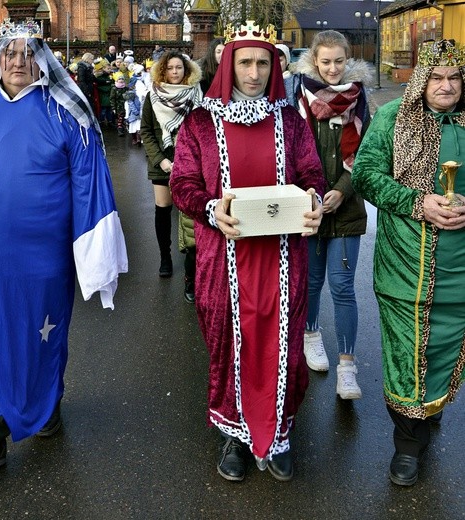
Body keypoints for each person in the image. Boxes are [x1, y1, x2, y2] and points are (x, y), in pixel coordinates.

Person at [0, 19, 128, 475]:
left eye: (27, 53)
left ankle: (46, 405)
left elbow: (89, 181)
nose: (17, 61)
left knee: (43, 337)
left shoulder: (65, 109)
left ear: (41, 60)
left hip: (45, 256)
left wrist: (94, 252)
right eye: (10, 52)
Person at [170, 21, 325, 482]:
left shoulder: (292, 121)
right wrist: (212, 208)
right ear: (227, 64)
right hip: (224, 257)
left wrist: (314, 201)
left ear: (273, 66)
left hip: (283, 258)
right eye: (245, 63)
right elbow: (183, 184)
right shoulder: (200, 122)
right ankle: (235, 436)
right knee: (227, 344)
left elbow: (312, 172)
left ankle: (279, 433)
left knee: (285, 348)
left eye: (262, 63)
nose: (254, 73)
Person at [351, 38, 465, 486]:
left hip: (459, 270)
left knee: (443, 348)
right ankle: (407, 445)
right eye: (437, 78)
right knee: (405, 354)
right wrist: (420, 203)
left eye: (455, 77)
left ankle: (430, 410)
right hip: (406, 267)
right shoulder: (392, 117)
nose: (446, 86)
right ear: (422, 80)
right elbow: (365, 174)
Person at [284, 30, 371, 399]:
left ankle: (347, 367)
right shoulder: (296, 97)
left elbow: (366, 152)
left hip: (346, 207)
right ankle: (312, 335)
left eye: (339, 61)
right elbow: (290, 150)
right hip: (308, 206)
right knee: (312, 282)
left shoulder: (360, 97)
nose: (333, 69)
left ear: (347, 60)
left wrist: (342, 190)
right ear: (314, 61)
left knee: (344, 287)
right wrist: (312, 193)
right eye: (326, 61)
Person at [140, 51, 202, 278]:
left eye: (179, 68)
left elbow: (202, 130)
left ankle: (191, 262)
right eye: (170, 68)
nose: (175, 72)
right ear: (163, 70)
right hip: (162, 163)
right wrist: (162, 161)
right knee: (163, 211)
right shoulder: (152, 95)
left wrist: (190, 160)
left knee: (190, 213)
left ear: (186, 70)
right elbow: (146, 130)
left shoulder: (196, 95)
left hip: (191, 162)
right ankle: (165, 257)